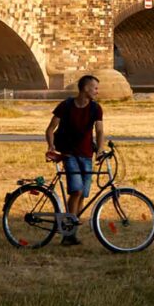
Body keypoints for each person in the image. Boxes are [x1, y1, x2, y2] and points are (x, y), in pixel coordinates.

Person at [45, 74, 106, 247]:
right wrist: (51, 146)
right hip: (69, 154)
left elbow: (100, 131)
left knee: (82, 196)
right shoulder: (66, 106)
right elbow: (50, 129)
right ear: (86, 88)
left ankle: (71, 233)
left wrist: (100, 150)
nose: (97, 91)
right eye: (95, 88)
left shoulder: (96, 108)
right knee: (76, 191)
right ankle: (68, 232)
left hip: (87, 155)